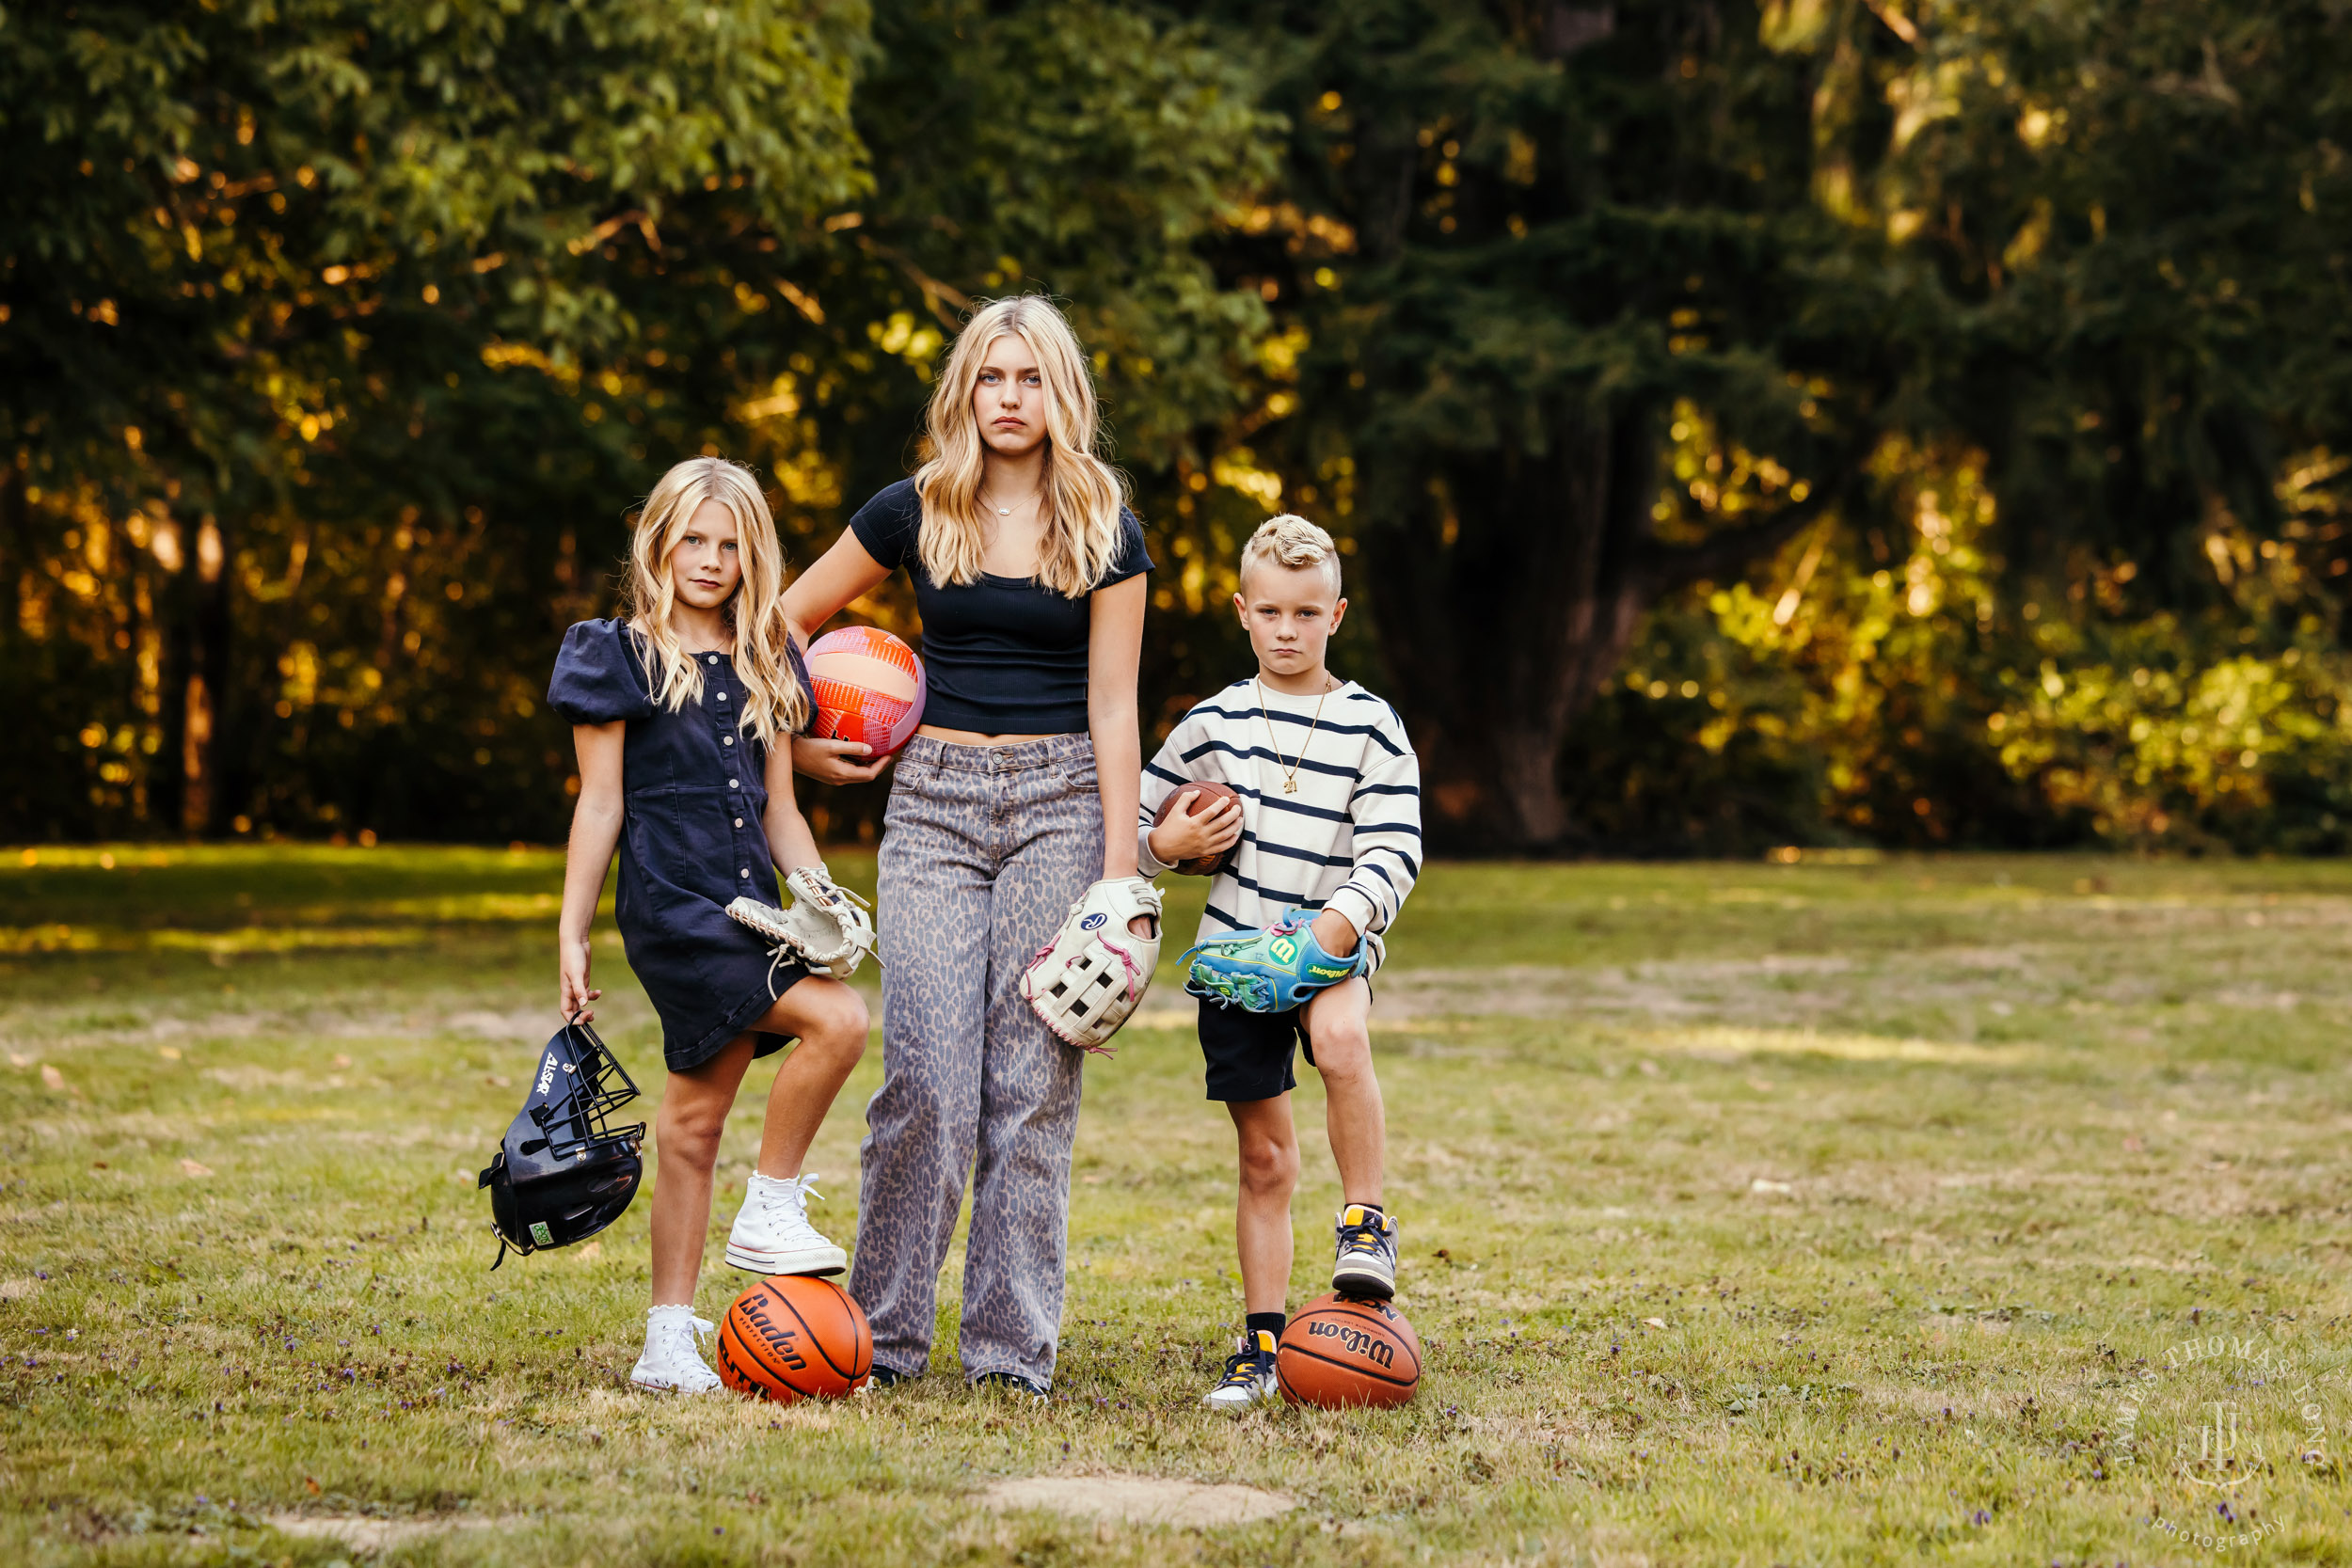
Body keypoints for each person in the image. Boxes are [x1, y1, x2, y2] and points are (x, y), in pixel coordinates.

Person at [785, 296, 1152, 1397]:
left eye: (1029, 378)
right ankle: (883, 1341)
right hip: (933, 803)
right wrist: (803, 750)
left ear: (1060, 395)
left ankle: (1007, 1357)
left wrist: (1121, 875)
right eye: (991, 377)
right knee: (926, 1080)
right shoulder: (913, 509)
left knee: (1031, 1082)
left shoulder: (1105, 525)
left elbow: (1116, 708)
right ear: (965, 391)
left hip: (1061, 802)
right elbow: (782, 621)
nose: (1008, 397)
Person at [548, 456, 870, 1395]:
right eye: (693, 538)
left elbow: (781, 810)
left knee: (692, 1124)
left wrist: (816, 893)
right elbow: (600, 805)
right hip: (674, 909)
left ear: (751, 554)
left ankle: (664, 1338)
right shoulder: (620, 654)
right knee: (840, 1019)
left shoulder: (767, 656)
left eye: (730, 543)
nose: (710, 558)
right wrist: (571, 932)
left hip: (752, 905)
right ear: (660, 540)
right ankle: (769, 1205)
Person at [1137, 514, 1422, 1414]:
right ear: (1242, 612)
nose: (1288, 629)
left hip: (1330, 940)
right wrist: (1165, 842)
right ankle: (1260, 1344)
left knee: (1341, 1038)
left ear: (1336, 613)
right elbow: (1139, 830)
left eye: (1306, 611)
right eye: (1271, 611)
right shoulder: (1212, 722)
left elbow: (1395, 849)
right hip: (1236, 955)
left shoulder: (1371, 725)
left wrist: (1340, 927)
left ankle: (1365, 1225)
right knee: (1264, 1159)